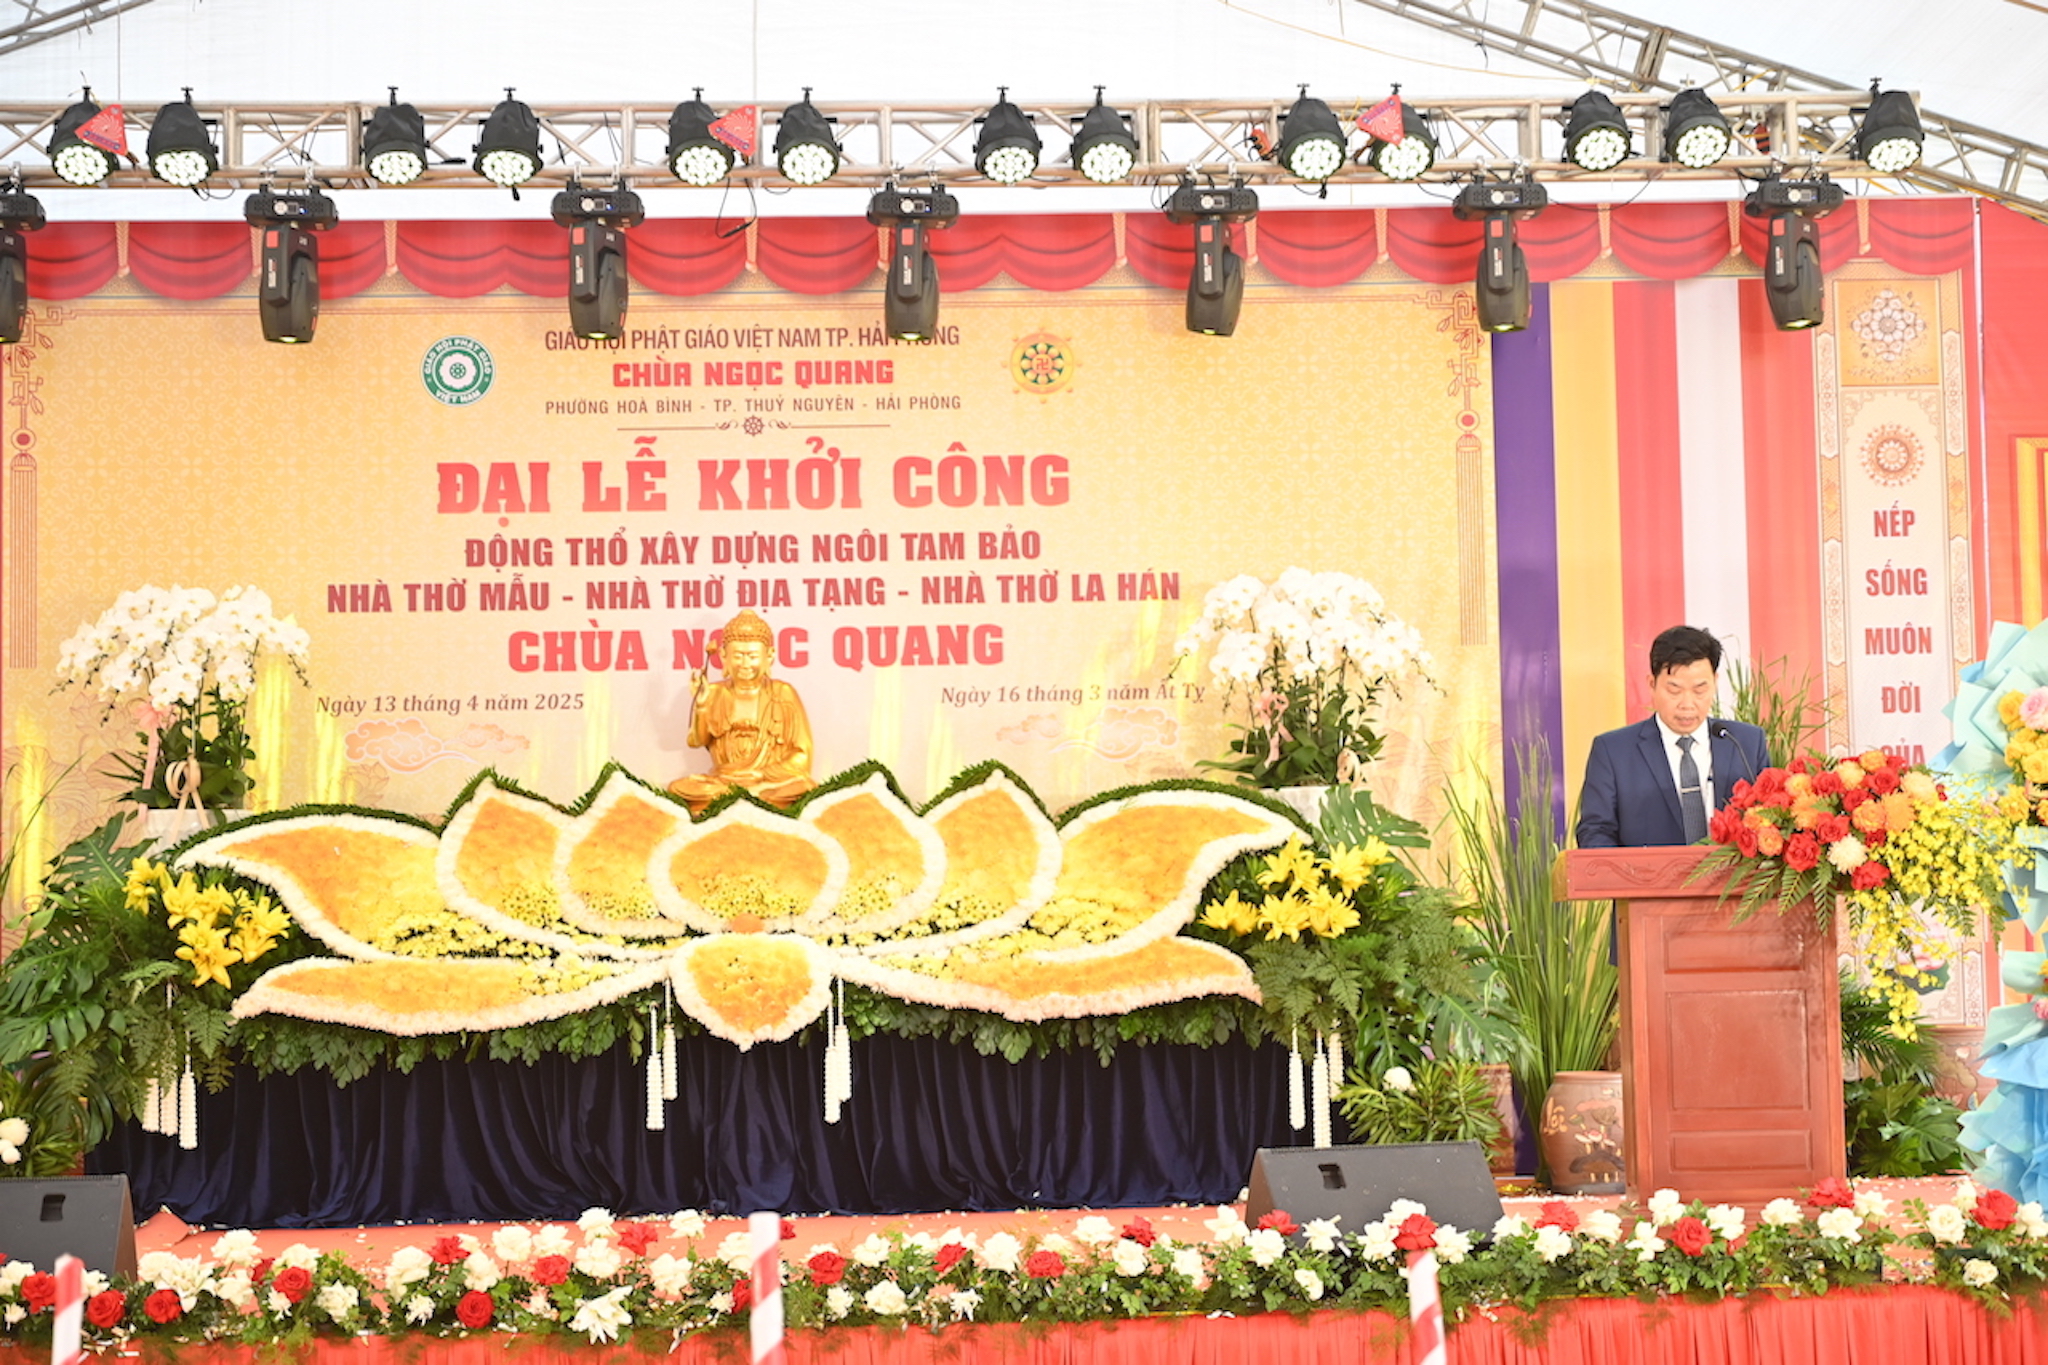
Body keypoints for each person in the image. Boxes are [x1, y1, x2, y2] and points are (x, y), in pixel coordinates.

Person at [1575, 625, 1771, 848]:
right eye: (1674, 690)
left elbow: (1769, 822)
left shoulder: (1746, 743)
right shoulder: (1613, 751)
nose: (1687, 704)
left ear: (1715, 683)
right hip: (1644, 871)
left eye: (1699, 690)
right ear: (1652, 685)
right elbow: (1595, 833)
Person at [667, 609, 817, 810]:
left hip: (767, 783)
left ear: (769, 656)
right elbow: (696, 741)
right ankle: (745, 798)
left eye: (753, 656)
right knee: (679, 788)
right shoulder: (714, 692)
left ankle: (746, 797)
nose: (745, 664)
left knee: (804, 785)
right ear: (723, 656)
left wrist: (761, 774)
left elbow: (802, 755)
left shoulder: (784, 693)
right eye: (738, 656)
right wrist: (701, 704)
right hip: (724, 782)